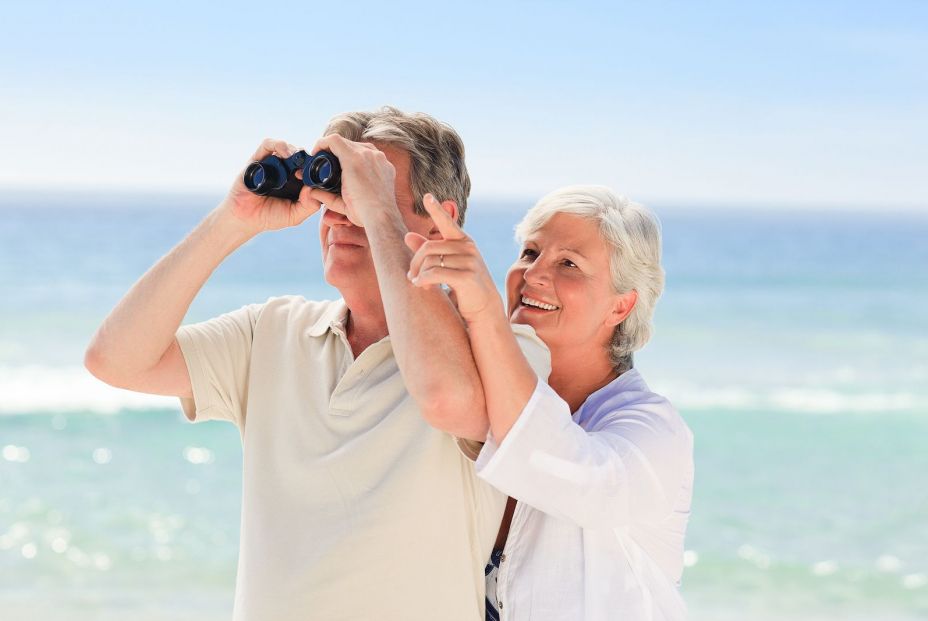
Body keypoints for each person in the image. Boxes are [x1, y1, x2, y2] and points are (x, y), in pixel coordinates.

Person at [84, 107, 549, 621]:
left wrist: (379, 215)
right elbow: (114, 360)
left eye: (367, 193)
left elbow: (447, 398)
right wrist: (232, 220)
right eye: (336, 194)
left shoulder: (505, 350)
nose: (342, 215)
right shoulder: (273, 331)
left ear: (443, 219)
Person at [405, 185, 694, 620]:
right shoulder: (473, 398)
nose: (534, 274)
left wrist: (484, 313)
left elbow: (576, 476)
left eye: (568, 264)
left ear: (621, 306)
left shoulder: (655, 432)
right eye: (529, 253)